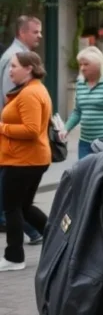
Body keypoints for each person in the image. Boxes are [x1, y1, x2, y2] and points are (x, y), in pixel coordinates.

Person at [0, 51, 51, 272]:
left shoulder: (30, 93)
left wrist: (2, 128)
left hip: (23, 160)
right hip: (27, 158)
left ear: (28, 68)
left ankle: (14, 257)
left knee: (11, 208)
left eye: (14, 66)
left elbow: (31, 130)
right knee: (24, 206)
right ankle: (59, 237)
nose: (10, 70)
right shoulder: (32, 90)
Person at [0, 15, 43, 243]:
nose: (40, 36)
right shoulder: (13, 60)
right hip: (13, 144)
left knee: (13, 203)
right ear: (22, 33)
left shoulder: (30, 89)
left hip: (18, 149)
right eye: (35, 32)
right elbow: (9, 101)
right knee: (16, 203)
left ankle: (35, 236)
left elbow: (27, 123)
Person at [61, 46, 103, 159]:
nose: (82, 68)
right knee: (84, 174)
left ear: (98, 64)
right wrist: (66, 128)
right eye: (80, 64)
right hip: (84, 142)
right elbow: (78, 111)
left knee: (102, 175)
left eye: (86, 64)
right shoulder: (80, 84)